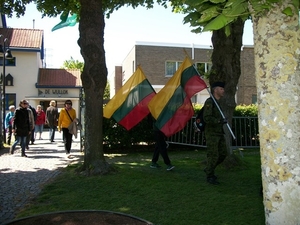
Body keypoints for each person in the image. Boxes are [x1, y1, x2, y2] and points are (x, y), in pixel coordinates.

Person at [203, 82, 227, 185]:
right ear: (215, 90)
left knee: (223, 153)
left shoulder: (218, 102)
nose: (223, 91)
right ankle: (210, 175)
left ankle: (209, 168)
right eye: (221, 89)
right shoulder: (210, 102)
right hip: (212, 133)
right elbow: (207, 118)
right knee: (213, 155)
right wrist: (218, 121)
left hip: (219, 132)